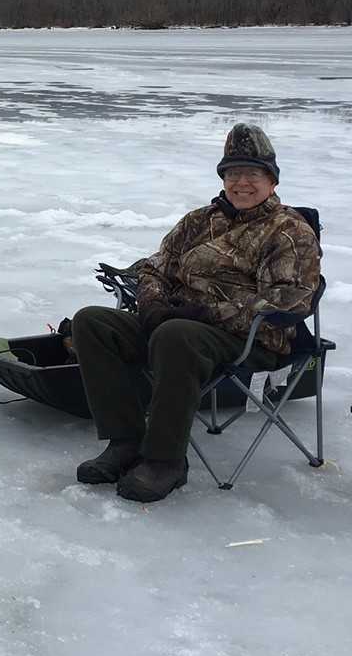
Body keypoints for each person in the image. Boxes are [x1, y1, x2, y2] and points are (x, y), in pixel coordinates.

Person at [68, 123, 321, 503]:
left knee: (176, 335)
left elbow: (290, 298)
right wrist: (152, 305)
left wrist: (204, 315)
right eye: (233, 173)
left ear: (271, 179)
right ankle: (125, 442)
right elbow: (154, 267)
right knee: (92, 322)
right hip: (179, 326)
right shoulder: (198, 221)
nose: (242, 182)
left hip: (251, 338)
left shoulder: (289, 231)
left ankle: (166, 460)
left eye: (253, 173)